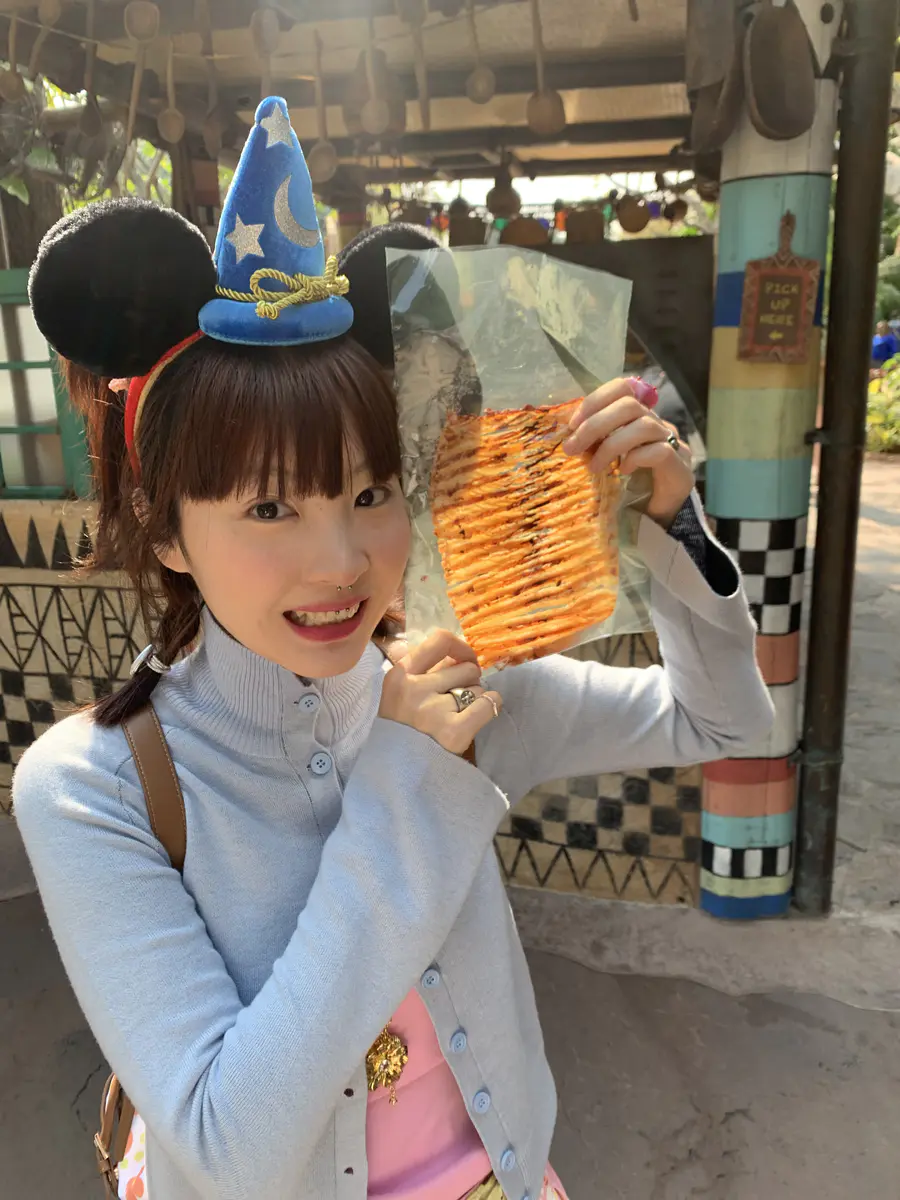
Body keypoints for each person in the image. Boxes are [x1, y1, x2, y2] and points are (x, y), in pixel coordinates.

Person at [13, 99, 773, 1200]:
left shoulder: (461, 685)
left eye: (370, 494)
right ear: (166, 530)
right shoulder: (96, 787)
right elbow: (227, 1150)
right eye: (269, 509)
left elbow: (724, 720)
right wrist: (407, 778)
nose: (343, 562)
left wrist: (671, 528)